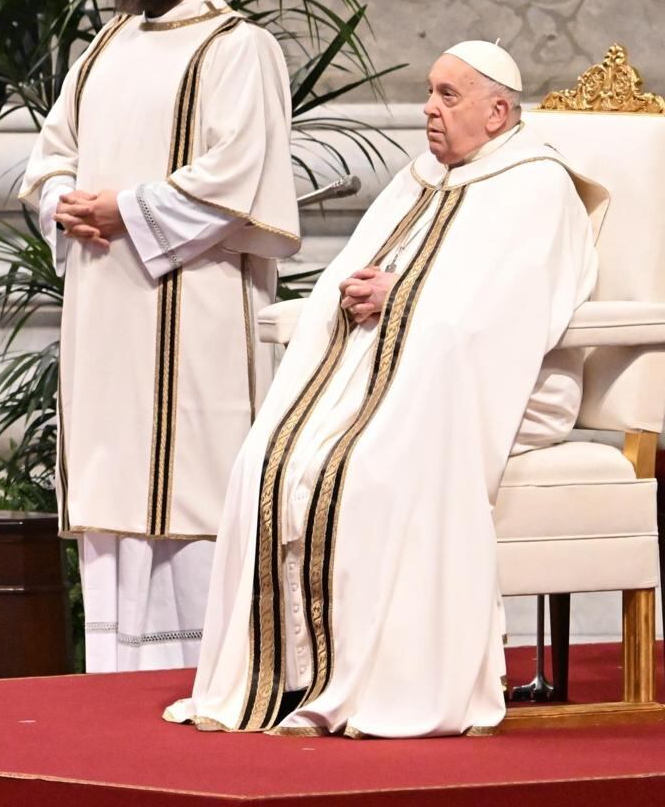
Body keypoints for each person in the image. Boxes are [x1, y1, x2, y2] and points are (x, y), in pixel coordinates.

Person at [173, 42, 604, 739]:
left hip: (509, 386)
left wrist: (401, 296)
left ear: (498, 111)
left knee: (370, 466)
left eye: (447, 95)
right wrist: (357, 293)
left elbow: (509, 309)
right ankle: (291, 677)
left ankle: (375, 682)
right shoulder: (423, 178)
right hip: (397, 369)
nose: (429, 109)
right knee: (269, 459)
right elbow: (355, 269)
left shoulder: (538, 185)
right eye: (430, 91)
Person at [19, 0, 300, 674]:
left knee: (193, 488)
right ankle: (115, 682)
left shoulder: (239, 47)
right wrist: (62, 201)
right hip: (105, 308)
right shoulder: (106, 45)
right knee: (115, 497)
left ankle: (210, 678)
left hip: (196, 303)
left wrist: (128, 209)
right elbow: (49, 155)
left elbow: (239, 169)